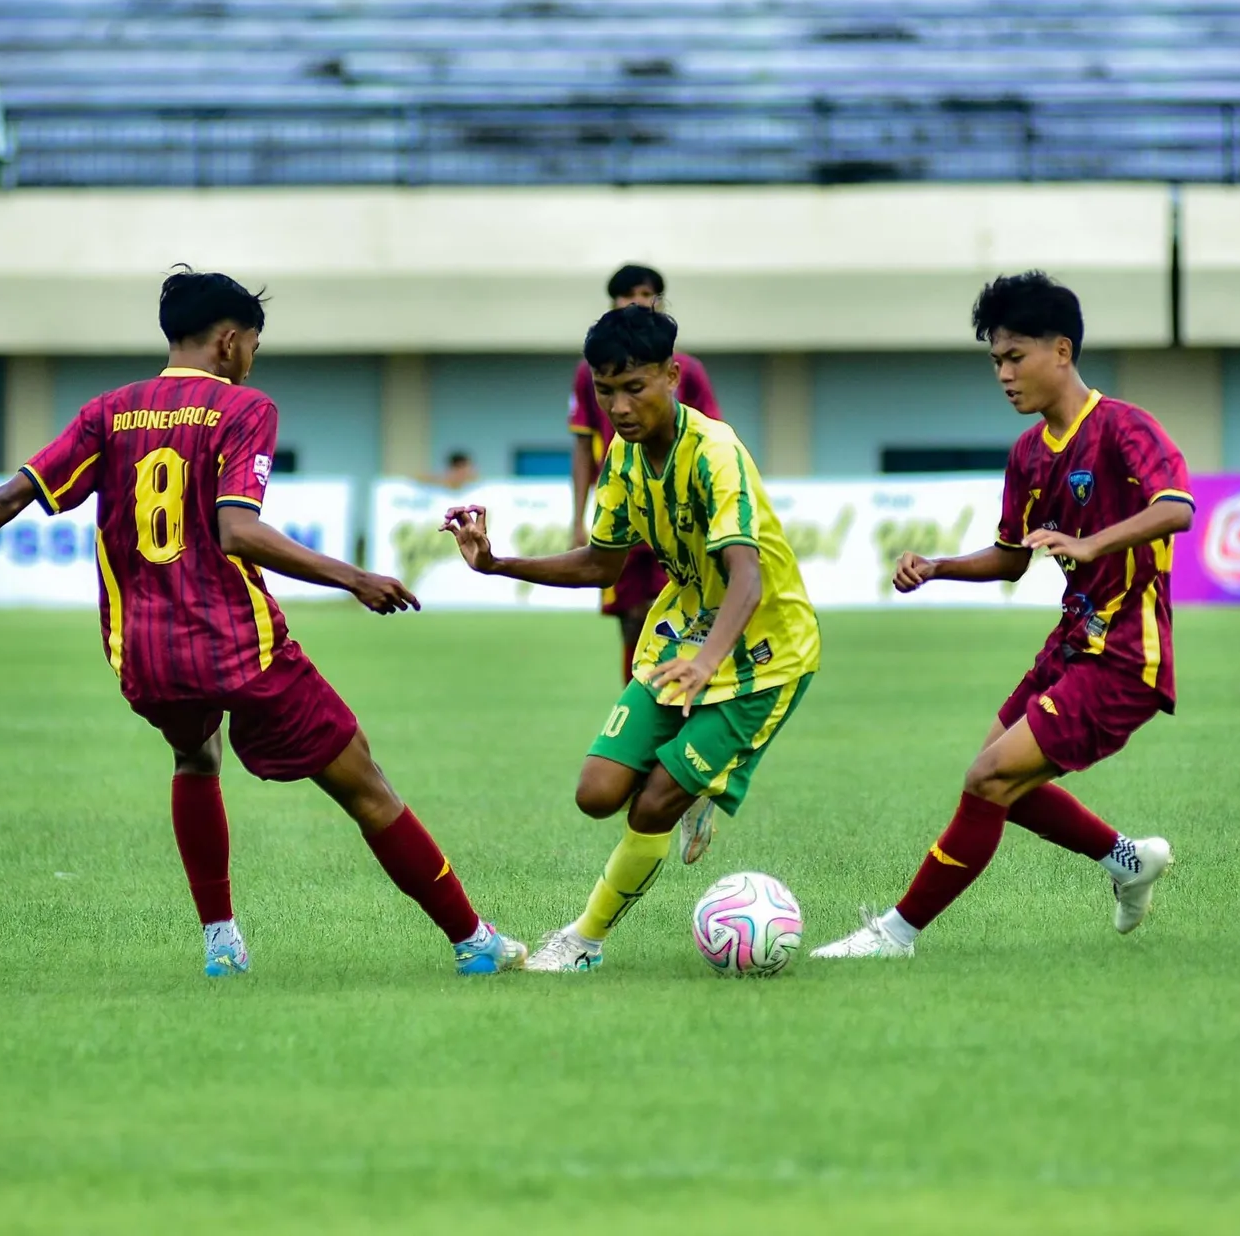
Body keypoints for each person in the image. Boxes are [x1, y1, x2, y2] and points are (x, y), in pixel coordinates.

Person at [0, 268, 526, 979]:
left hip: (143, 654)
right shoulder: (243, 409)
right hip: (238, 643)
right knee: (366, 782)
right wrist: (353, 576)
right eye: (254, 348)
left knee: (195, 758)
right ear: (231, 341)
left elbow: (8, 497)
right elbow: (237, 532)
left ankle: (222, 944)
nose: (252, 361)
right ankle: (472, 941)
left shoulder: (109, 412)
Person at [811, 271, 1189, 960]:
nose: (1004, 375)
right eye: (995, 361)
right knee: (998, 780)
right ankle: (1130, 861)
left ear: (1062, 352)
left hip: (1128, 655)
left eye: (1015, 357)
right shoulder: (1027, 455)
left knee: (989, 780)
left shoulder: (1122, 428)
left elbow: (1177, 508)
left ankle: (895, 934)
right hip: (1072, 642)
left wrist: (1091, 541)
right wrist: (939, 567)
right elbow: (1013, 558)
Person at [446, 305, 820, 973]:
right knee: (596, 793)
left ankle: (584, 940)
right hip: (683, 641)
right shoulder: (621, 458)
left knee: (650, 803)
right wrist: (499, 563)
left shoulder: (716, 454)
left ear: (672, 376)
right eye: (605, 390)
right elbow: (601, 562)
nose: (618, 406)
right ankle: (693, 781)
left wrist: (710, 663)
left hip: (765, 656)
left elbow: (747, 579)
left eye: (634, 387)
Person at [569, 264, 722, 682]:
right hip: (623, 506)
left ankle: (680, 702)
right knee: (632, 621)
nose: (635, 301)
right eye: (627, 294)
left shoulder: (685, 370)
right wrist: (577, 518)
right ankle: (636, 711)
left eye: (646, 293)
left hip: (678, 514)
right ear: (613, 303)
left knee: (680, 612)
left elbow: (712, 439)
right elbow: (583, 446)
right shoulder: (590, 371)